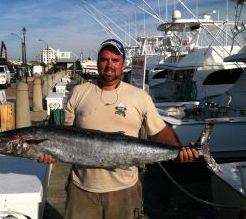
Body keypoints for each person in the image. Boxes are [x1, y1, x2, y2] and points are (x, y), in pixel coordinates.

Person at [38, 38, 199, 219]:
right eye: (104, 59)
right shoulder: (78, 92)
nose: (109, 65)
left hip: (125, 191)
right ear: (97, 62)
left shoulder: (140, 97)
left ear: (123, 65)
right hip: (82, 190)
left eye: (115, 60)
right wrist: (50, 151)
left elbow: (160, 131)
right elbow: (65, 135)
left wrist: (181, 150)